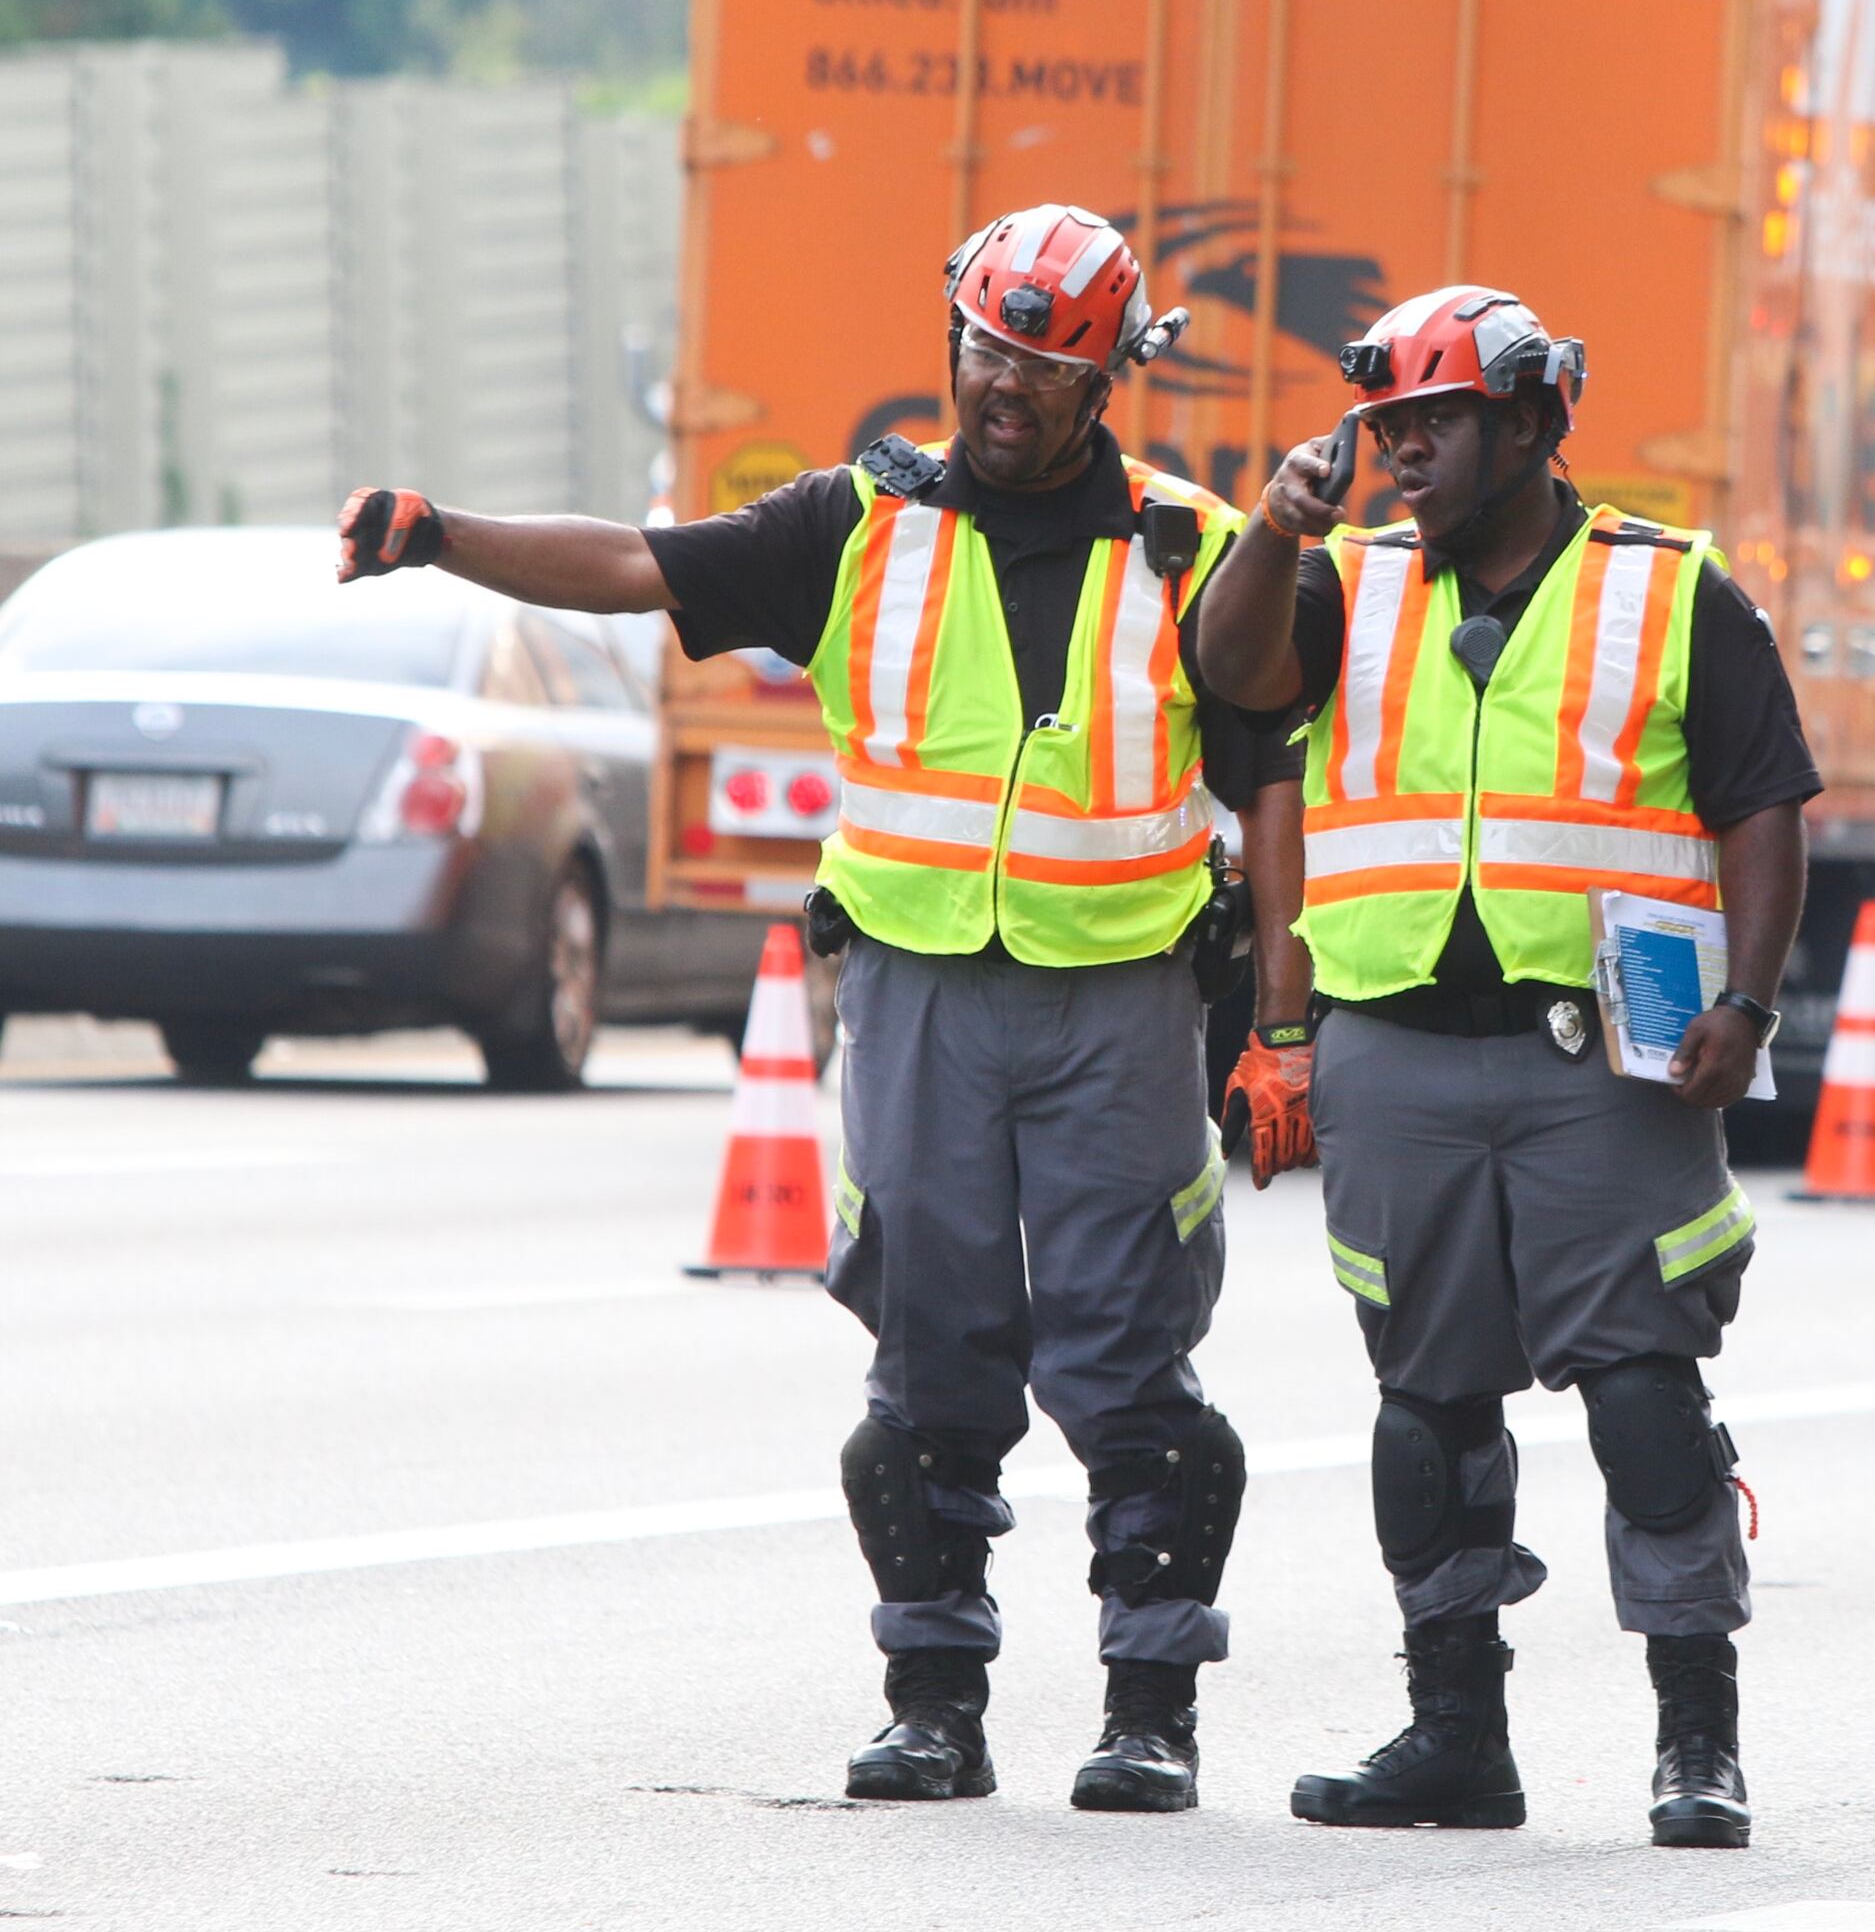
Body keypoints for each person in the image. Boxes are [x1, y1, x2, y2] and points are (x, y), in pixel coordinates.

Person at [335, 204, 1265, 1813]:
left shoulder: (1195, 547)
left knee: (1130, 1366)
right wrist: (440, 532)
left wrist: (1288, 1028)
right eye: (983, 350)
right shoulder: (862, 521)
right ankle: (934, 1700)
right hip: (916, 1003)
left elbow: (1281, 770)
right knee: (926, 1356)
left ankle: (1150, 1709)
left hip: (1119, 1001)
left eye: (1043, 367)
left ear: (1108, 376)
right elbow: (637, 565)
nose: (1003, 388)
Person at [1193, 283, 1818, 1851]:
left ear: (1534, 423)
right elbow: (1233, 672)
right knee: (1425, 1412)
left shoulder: (1671, 592)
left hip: (1603, 1067)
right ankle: (1457, 1736)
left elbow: (1763, 802)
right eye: (1388, 424)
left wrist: (1749, 998)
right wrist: (1273, 530)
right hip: (1396, 1054)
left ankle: (1697, 1742)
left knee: (1645, 1401)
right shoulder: (1345, 584)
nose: (1404, 453)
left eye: (1439, 423)